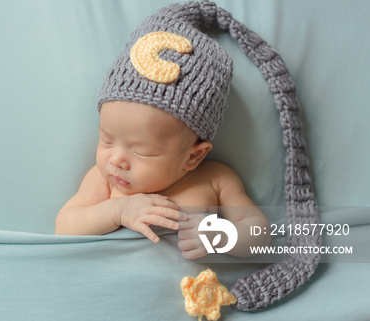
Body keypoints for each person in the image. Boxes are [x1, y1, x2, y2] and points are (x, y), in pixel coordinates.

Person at [54, 3, 271, 260]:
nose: (116, 159)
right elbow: (65, 226)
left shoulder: (215, 179)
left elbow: (260, 236)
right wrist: (118, 211)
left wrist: (222, 236)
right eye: (107, 140)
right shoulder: (105, 181)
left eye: (142, 151)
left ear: (193, 156)